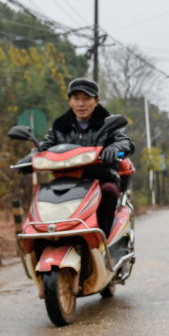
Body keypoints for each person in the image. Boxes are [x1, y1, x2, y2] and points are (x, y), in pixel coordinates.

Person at [37, 78, 135, 237]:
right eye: (76, 98)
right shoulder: (60, 126)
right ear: (70, 101)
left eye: (86, 98)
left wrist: (115, 149)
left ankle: (101, 241)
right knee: (43, 194)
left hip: (101, 179)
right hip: (66, 181)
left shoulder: (108, 123)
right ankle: (50, 239)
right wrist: (29, 158)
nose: (81, 104)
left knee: (109, 191)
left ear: (96, 101)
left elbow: (127, 144)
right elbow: (43, 147)